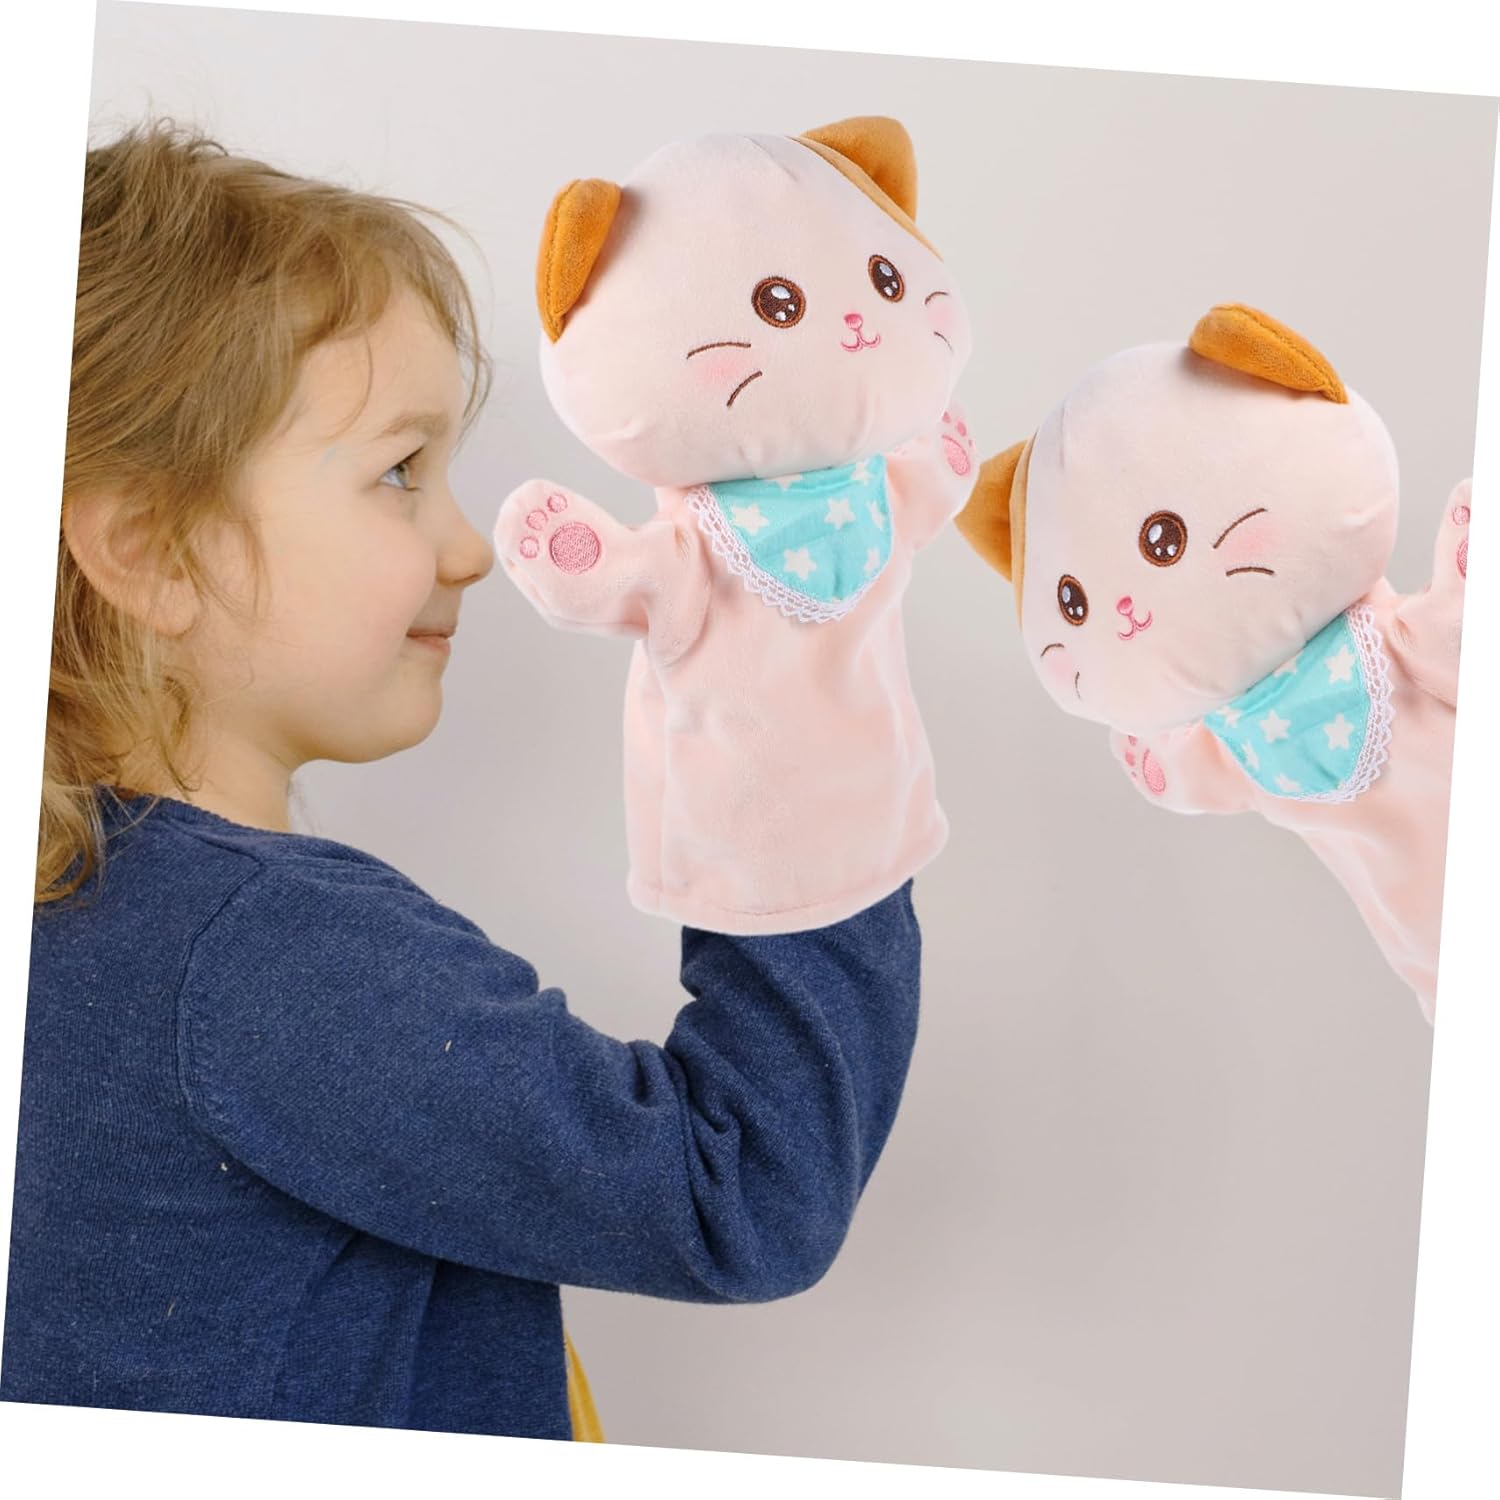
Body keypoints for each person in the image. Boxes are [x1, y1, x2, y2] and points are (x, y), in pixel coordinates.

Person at [0, 123, 923, 1443]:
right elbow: (742, 1189)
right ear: (152, 551)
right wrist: (808, 770)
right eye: (399, 472)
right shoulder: (267, 954)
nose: (469, 545)